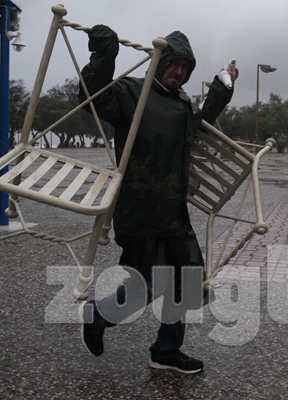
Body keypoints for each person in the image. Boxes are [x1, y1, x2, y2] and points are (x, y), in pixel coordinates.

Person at [77, 25, 237, 374]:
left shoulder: (180, 103)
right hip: (140, 209)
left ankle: (166, 350)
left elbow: (198, 125)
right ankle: (97, 315)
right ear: (160, 60)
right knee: (147, 286)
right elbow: (92, 97)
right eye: (174, 63)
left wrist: (222, 89)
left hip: (173, 213)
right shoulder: (131, 92)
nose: (179, 72)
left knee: (185, 281)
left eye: (185, 67)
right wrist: (104, 55)